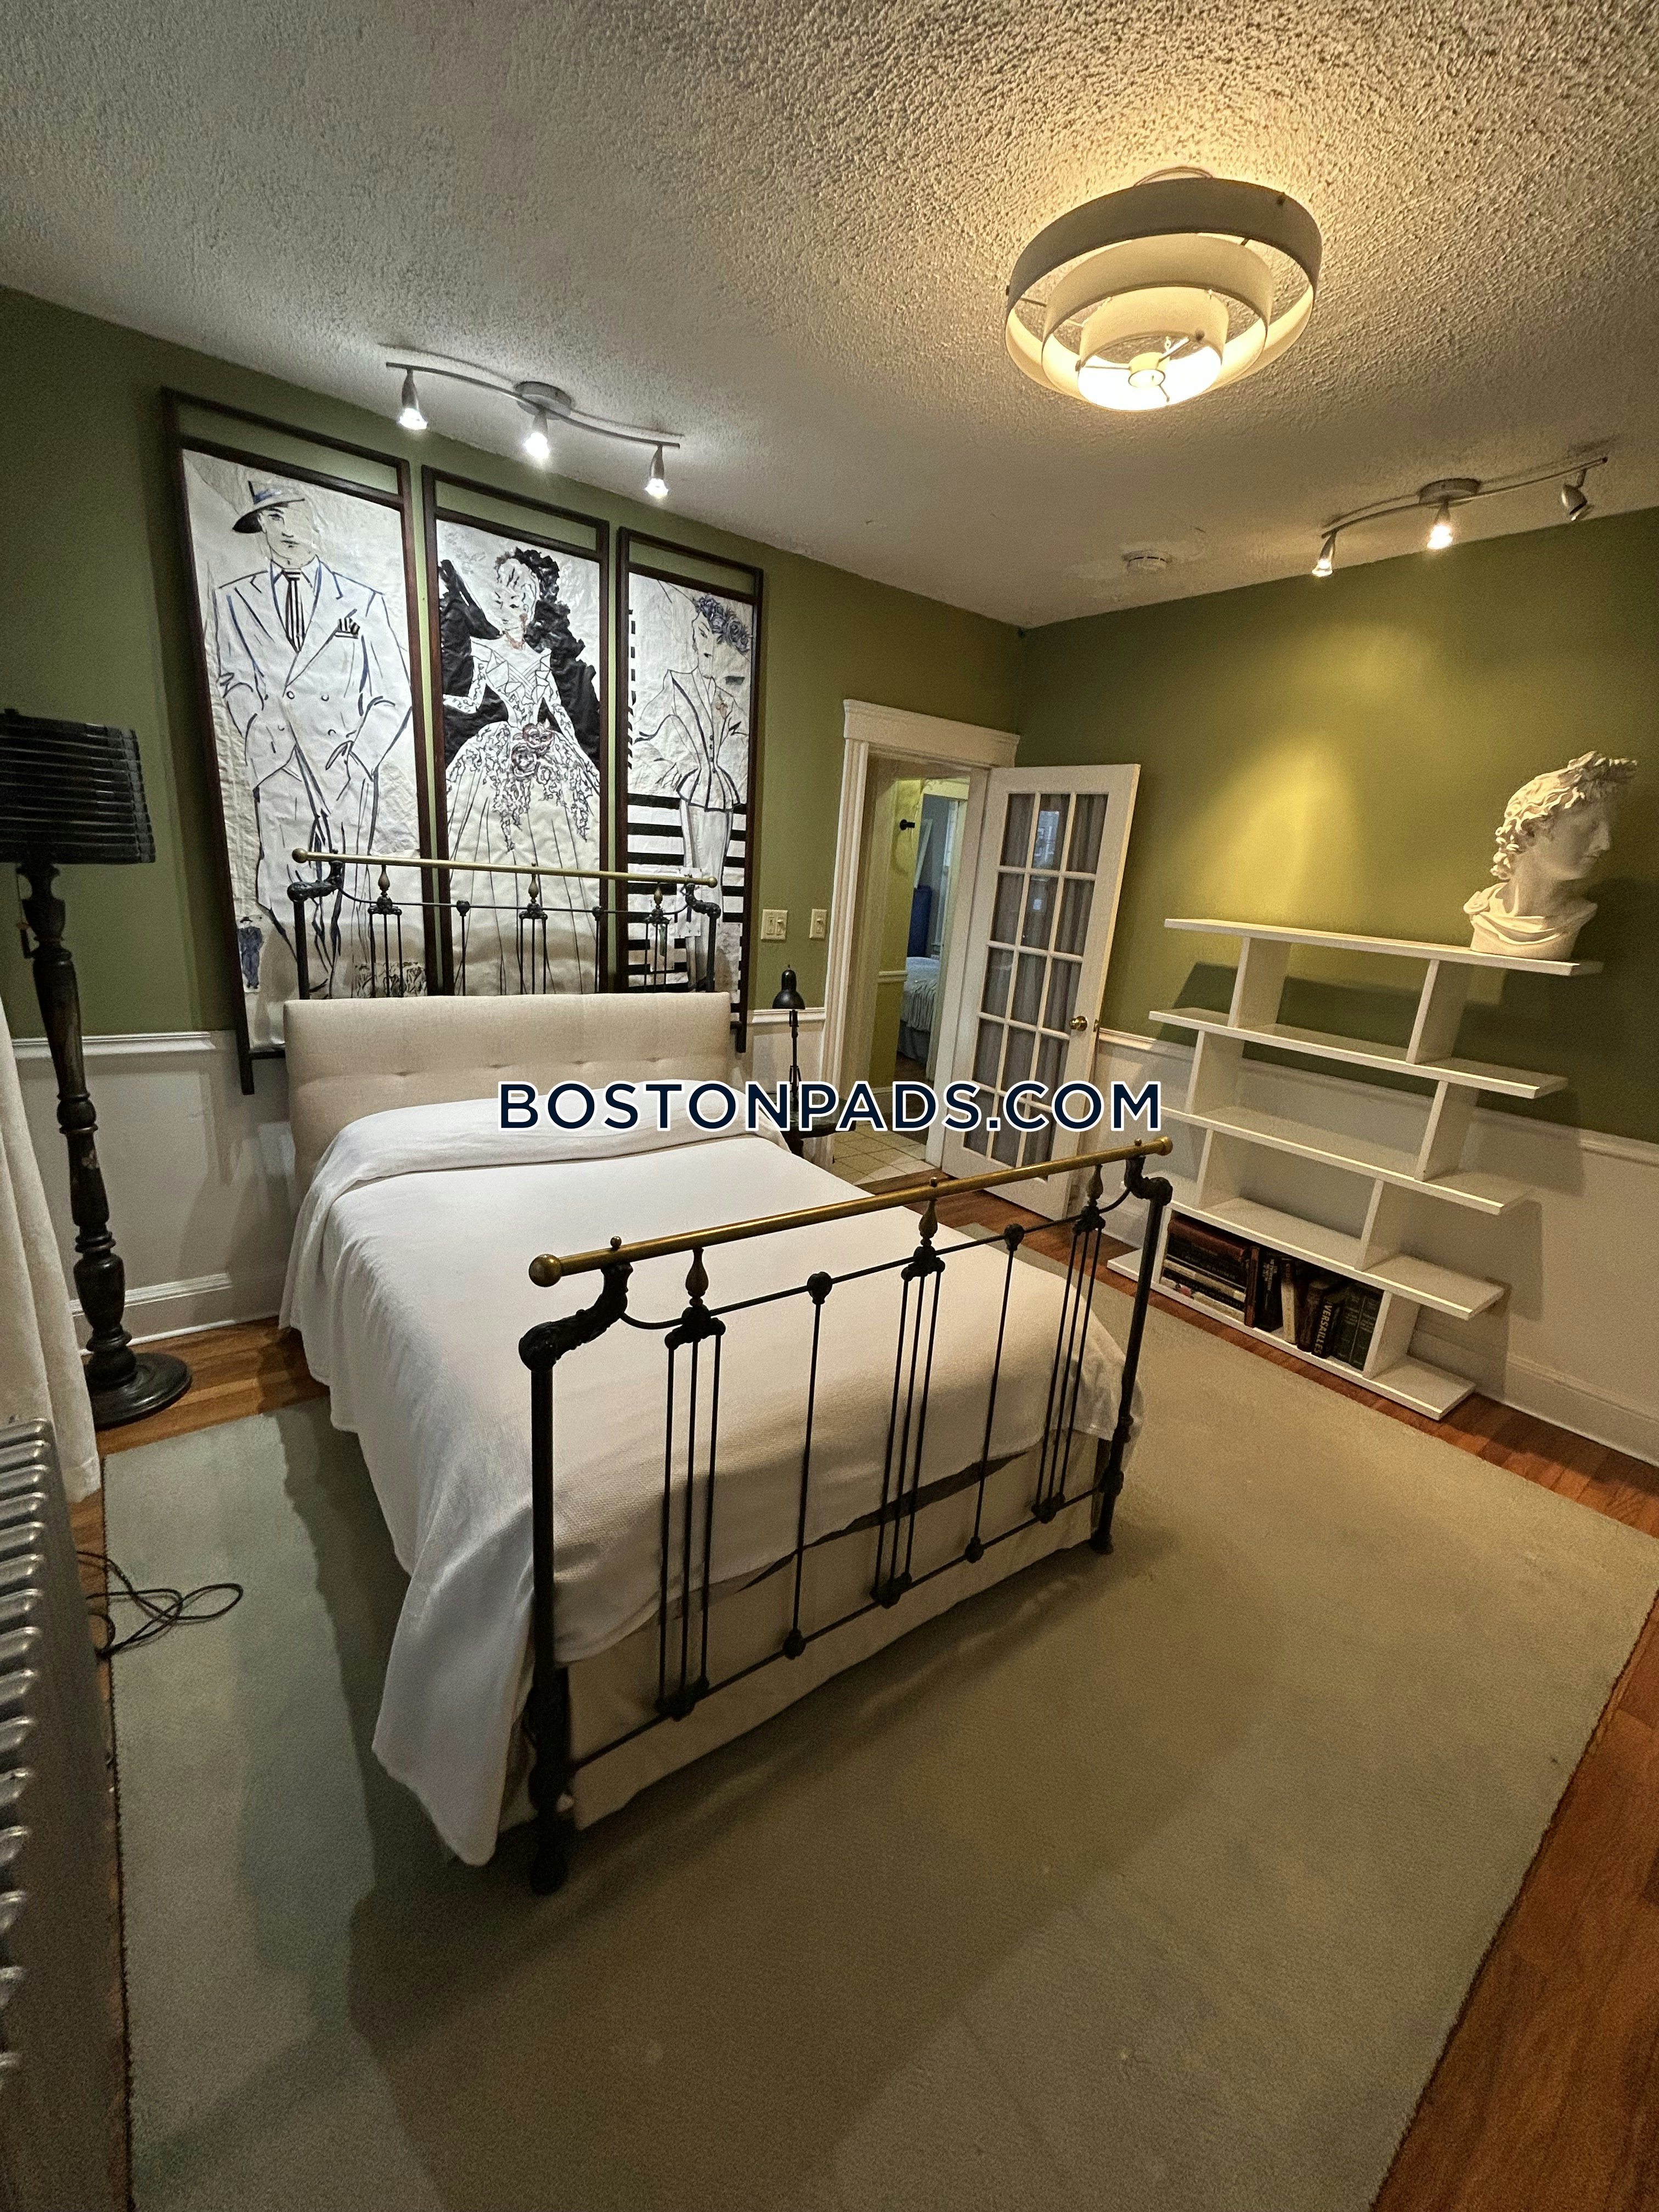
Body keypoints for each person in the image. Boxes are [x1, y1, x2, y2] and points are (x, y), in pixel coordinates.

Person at [212, 478, 413, 994]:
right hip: (277, 763)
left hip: (342, 766)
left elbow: (394, 693)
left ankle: (339, 999)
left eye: (291, 514)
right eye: (272, 518)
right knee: (285, 888)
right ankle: (316, 992)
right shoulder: (234, 599)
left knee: (352, 893)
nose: (283, 529)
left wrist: (360, 758)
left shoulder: (361, 600)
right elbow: (233, 678)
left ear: (313, 518)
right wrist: (258, 725)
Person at [443, 549, 601, 993]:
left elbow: (561, 715)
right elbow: (472, 702)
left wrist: (581, 759)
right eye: (501, 600)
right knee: (496, 851)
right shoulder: (485, 652)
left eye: (514, 602)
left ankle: (558, 972)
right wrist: (437, 699)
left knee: (554, 853)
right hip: (500, 750)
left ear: (528, 606)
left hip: (544, 753)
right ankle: (496, 970)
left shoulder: (542, 660)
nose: (506, 609)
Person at [628, 590, 751, 985]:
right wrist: (678, 770)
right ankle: (699, 978)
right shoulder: (676, 685)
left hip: (720, 795)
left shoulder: (727, 700)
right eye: (703, 636)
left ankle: (710, 980)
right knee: (696, 880)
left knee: (713, 881)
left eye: (718, 641)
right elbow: (641, 736)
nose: (710, 648)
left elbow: (744, 740)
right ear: (695, 639)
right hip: (696, 792)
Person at [1465, 751, 1637, 958]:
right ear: (1531, 830)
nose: (1606, 844)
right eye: (1590, 828)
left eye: (1608, 830)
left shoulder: (1575, 916)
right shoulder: (1483, 910)